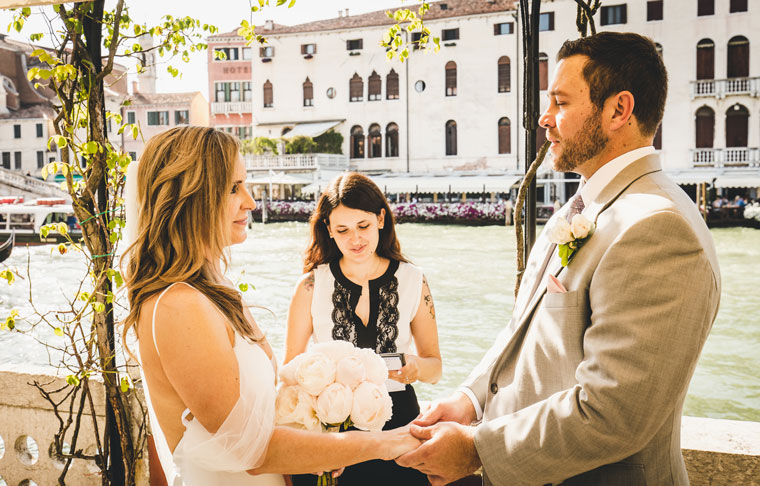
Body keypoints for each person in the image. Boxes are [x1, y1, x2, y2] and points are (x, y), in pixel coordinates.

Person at [397, 32, 721, 486]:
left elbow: (613, 414)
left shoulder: (657, 227)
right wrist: (470, 401)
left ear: (618, 110)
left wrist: (476, 450)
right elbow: (525, 331)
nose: (544, 119)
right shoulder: (588, 206)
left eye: (562, 103)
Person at [122, 127, 419, 486]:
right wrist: (382, 444)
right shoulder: (179, 305)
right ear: (192, 196)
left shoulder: (214, 289)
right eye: (234, 187)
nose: (249, 201)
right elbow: (250, 450)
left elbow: (258, 421)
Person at [285, 172, 441, 486]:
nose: (355, 240)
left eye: (363, 226)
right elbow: (289, 372)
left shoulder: (414, 280)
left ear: (381, 219)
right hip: (331, 426)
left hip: (399, 426)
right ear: (328, 230)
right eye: (342, 230)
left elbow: (435, 367)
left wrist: (414, 368)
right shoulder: (311, 285)